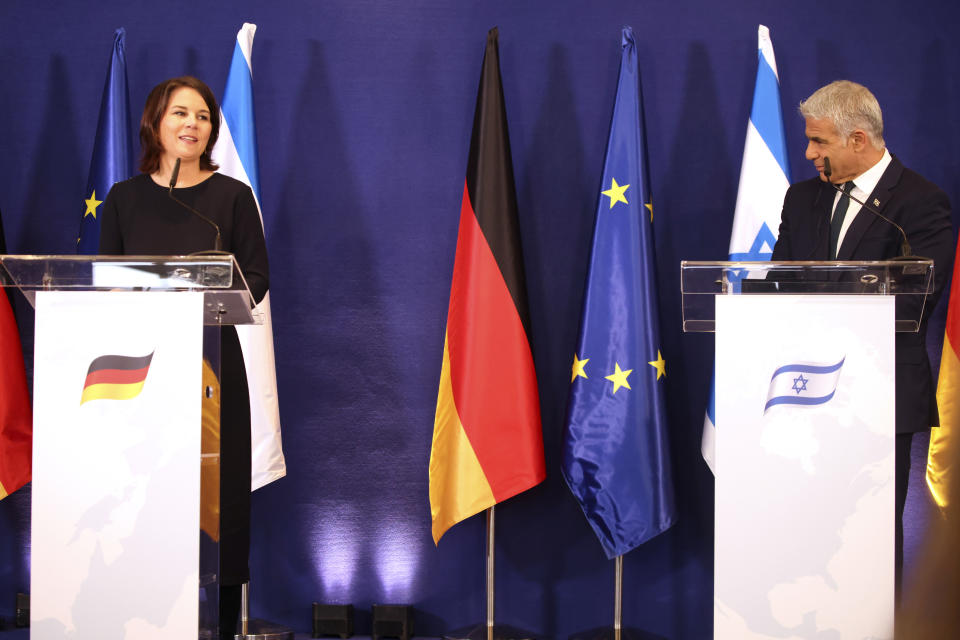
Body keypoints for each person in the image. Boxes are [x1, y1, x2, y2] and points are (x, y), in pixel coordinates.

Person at [771, 80, 954, 603]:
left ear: (857, 139)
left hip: (878, 394)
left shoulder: (920, 201)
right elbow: (782, 277)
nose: (808, 153)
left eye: (818, 143)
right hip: (801, 391)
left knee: (866, 533)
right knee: (802, 526)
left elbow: (918, 296)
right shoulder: (801, 197)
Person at [99, 76, 268, 638]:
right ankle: (142, 620)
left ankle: (218, 625)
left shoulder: (231, 199)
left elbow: (258, 279)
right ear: (156, 122)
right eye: (180, 114)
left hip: (212, 366)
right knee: (144, 492)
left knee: (216, 501)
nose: (192, 124)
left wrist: (206, 283)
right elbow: (106, 282)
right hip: (139, 372)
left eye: (202, 116)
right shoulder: (123, 199)